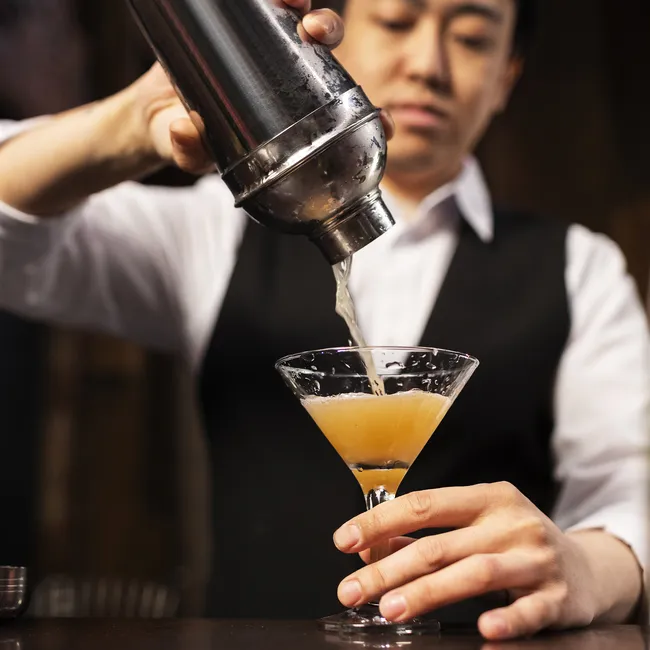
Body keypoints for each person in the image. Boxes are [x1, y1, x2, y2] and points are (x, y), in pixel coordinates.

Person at [0, 0, 647, 640]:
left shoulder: (579, 268)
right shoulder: (214, 231)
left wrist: (589, 568)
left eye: (473, 39)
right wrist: (130, 124)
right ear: (326, 44)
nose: (429, 65)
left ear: (507, 76)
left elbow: (630, 495)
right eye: (397, 22)